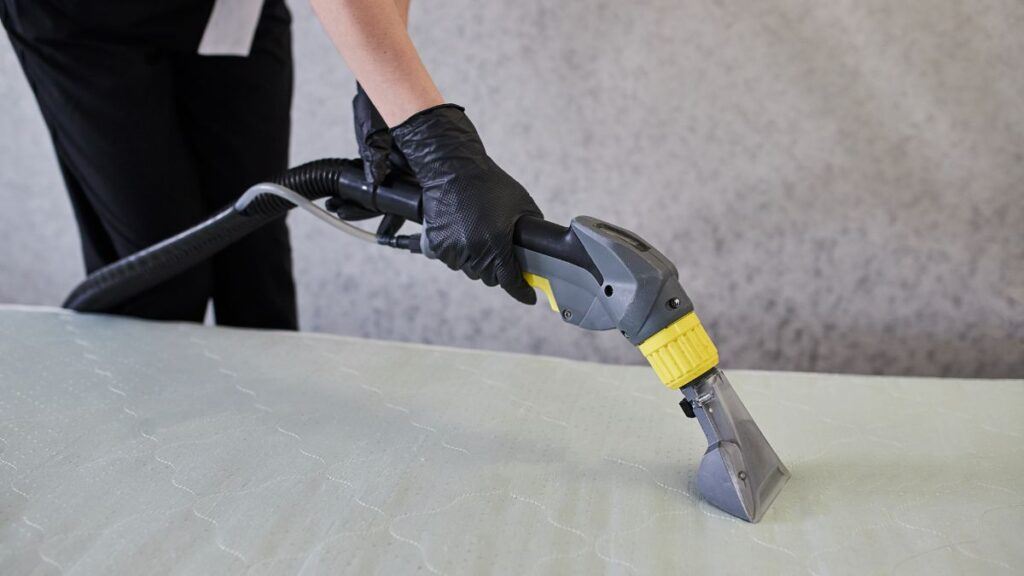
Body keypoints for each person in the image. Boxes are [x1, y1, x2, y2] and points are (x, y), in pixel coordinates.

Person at [0, 0, 540, 330]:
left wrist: (386, 97)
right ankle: (149, 474)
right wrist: (436, 140)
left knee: (256, 261)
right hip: (83, 20)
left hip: (227, 11)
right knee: (160, 279)